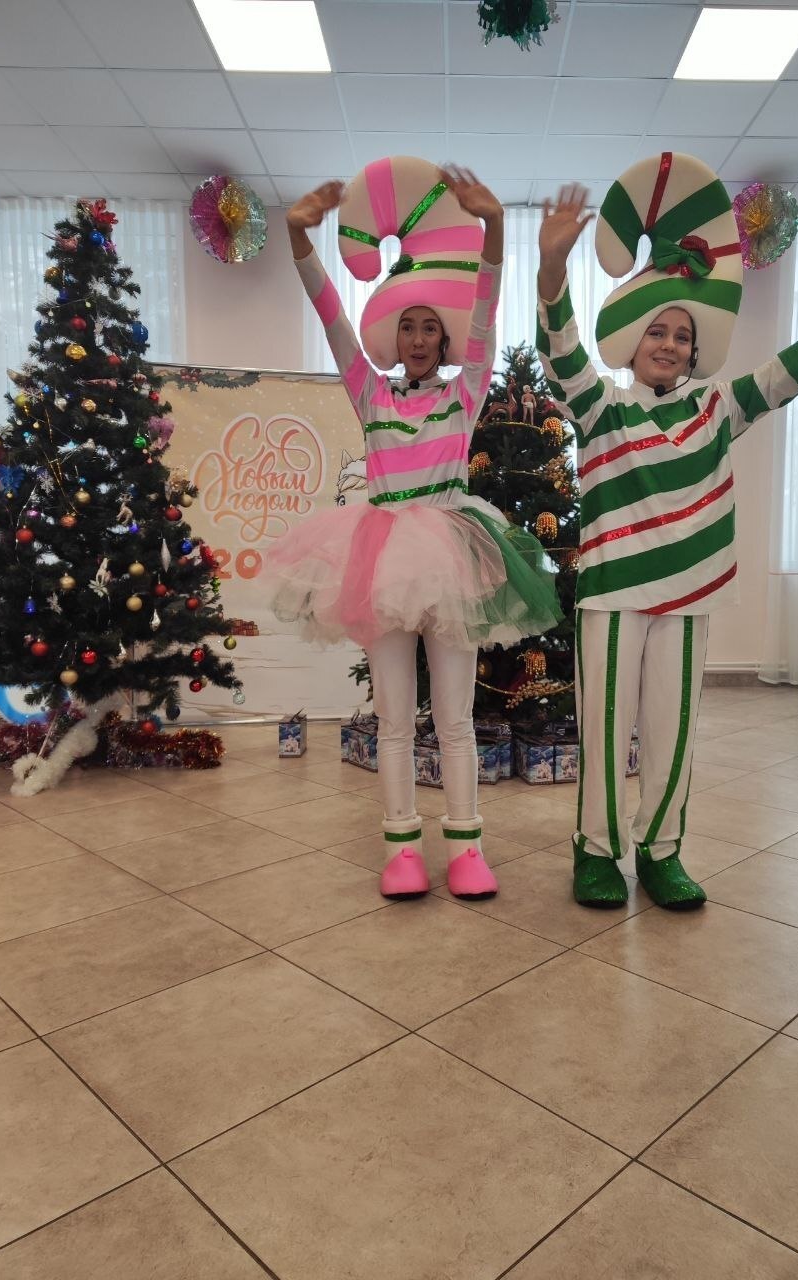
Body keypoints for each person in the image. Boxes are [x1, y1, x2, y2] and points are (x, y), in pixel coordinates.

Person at [535, 153, 798, 910]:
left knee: (672, 732)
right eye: (657, 330)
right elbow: (561, 351)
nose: (669, 344)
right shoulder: (601, 409)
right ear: (633, 338)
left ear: (695, 347)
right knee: (605, 728)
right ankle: (597, 850)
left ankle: (661, 849)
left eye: (682, 334)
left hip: (689, 595)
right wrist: (551, 271)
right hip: (612, 595)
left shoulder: (718, 408)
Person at [269, 159, 561, 902]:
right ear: (393, 336)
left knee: (455, 719)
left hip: (451, 551)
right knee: (395, 719)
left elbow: (487, 310)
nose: (422, 336)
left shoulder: (465, 394)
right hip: (378, 555)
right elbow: (331, 317)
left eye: (433, 326)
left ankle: (467, 848)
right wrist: (300, 239)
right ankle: (401, 847)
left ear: (446, 337)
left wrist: (495, 226)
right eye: (409, 325)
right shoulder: (369, 393)